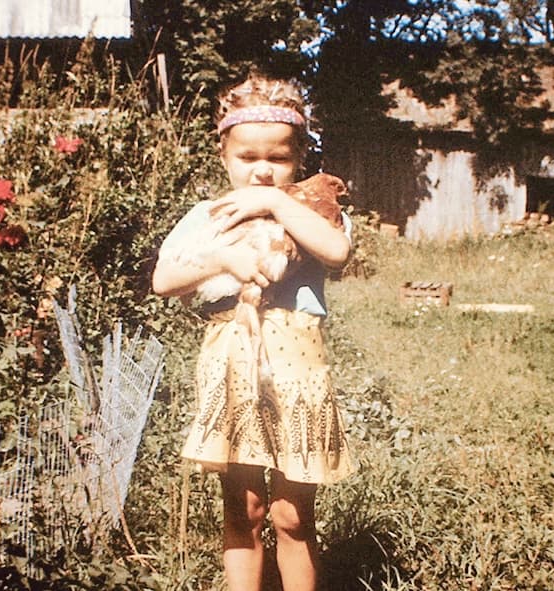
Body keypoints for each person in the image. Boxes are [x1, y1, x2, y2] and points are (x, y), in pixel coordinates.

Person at [152, 73, 355, 591]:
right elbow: (164, 279)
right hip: (233, 371)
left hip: (297, 376)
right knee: (245, 508)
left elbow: (336, 252)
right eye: (248, 158)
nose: (263, 171)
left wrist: (276, 205)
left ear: (299, 158)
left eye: (279, 158)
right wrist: (221, 257)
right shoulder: (209, 215)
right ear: (224, 155)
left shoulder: (310, 208)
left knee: (292, 515)